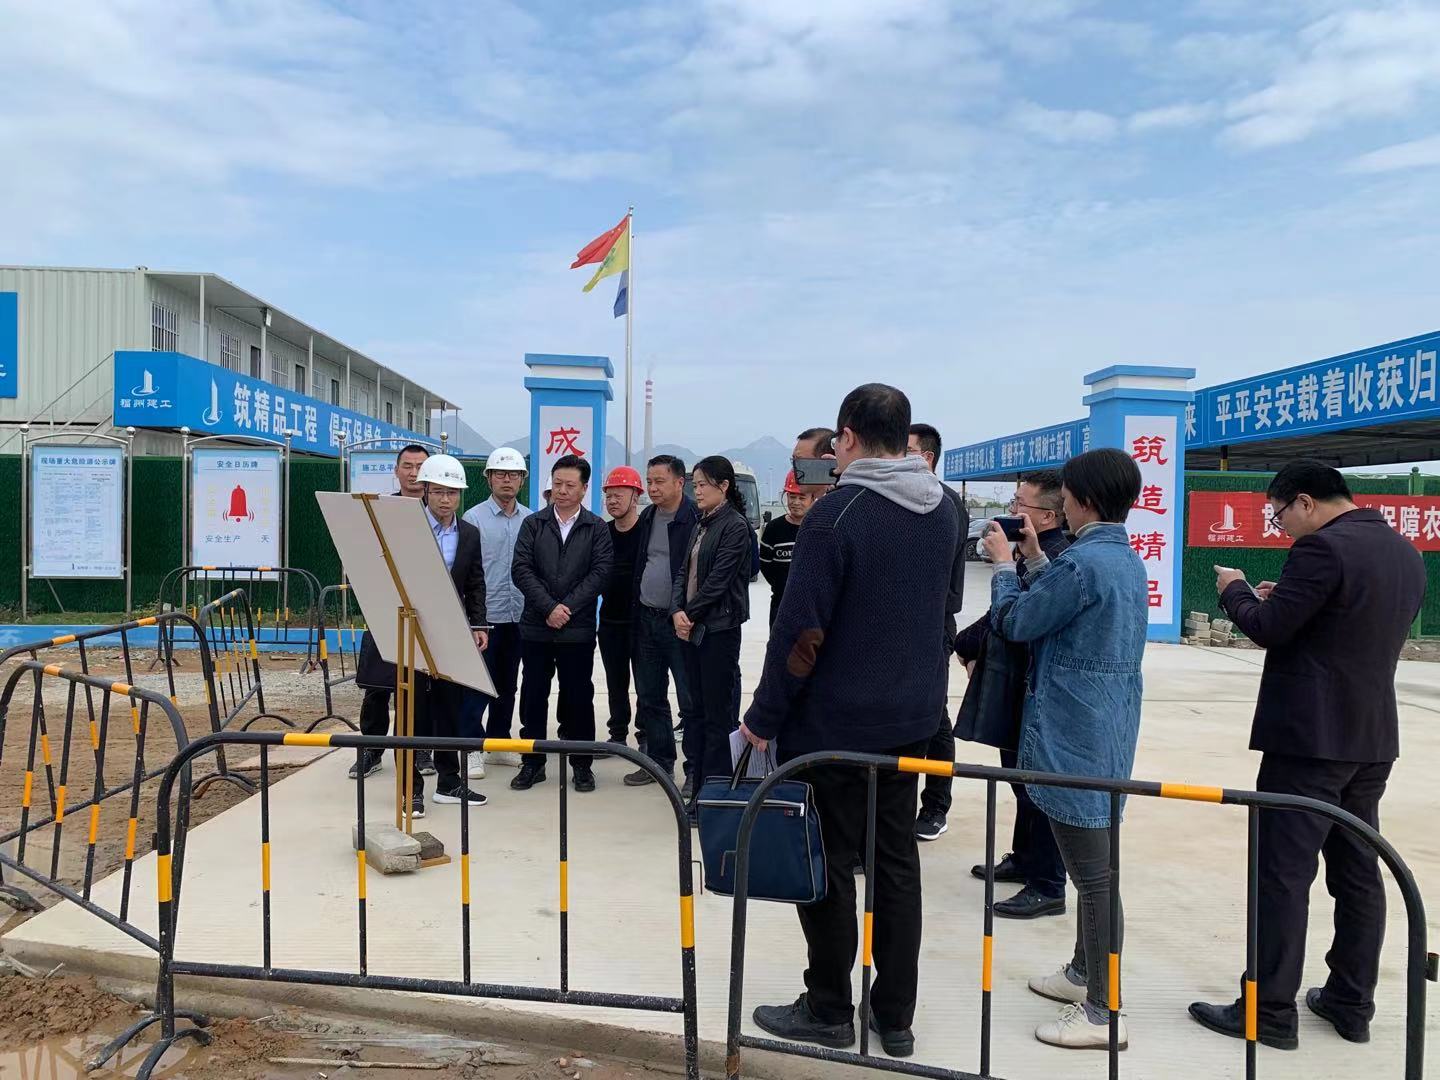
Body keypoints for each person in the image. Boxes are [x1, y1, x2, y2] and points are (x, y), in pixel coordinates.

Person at [744, 385, 959, 1060]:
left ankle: (829, 1007)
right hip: (911, 721)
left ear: (849, 438)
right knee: (895, 865)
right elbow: (946, 609)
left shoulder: (837, 515)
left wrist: (762, 717)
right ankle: (895, 1018)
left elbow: (800, 636)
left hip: (834, 729)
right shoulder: (946, 509)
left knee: (828, 864)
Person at [1189, 461, 1426, 1051]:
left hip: (1309, 741)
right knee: (1357, 873)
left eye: (1279, 516)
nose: (1282, 528)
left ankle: (1268, 1010)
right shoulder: (1403, 552)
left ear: (1304, 501)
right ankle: (1351, 1003)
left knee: (1282, 876)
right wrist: (1283, 600)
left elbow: (1268, 629)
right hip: (1371, 737)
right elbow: (1344, 624)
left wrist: (1235, 590)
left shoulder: (1321, 548)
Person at [981, 447, 1146, 1051]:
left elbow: (1017, 621)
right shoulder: (1121, 558)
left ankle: (1103, 1013)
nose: (1062, 507)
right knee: (1095, 870)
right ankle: (1082, 973)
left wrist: (1005, 567)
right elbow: (1067, 605)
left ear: (1084, 501)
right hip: (1107, 729)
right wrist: (1033, 558)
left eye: (1067, 498)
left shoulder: (1081, 564)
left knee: (1095, 878)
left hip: (1074, 736)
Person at [957, 470, 1071, 917]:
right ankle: (1025, 859)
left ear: (1048, 516)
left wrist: (1004, 564)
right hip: (1019, 686)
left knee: (1037, 788)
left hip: (1035, 689)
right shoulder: (1031, 552)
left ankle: (1047, 884)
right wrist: (965, 644)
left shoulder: (1058, 558)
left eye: (1020, 505)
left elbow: (1014, 618)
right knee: (1020, 782)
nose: (1011, 511)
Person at [355, 453, 490, 816]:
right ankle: (409, 790)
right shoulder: (404, 527)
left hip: (449, 632)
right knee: (410, 710)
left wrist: (478, 625)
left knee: (449, 707)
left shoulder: (469, 534)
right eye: (440, 491)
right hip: (408, 631)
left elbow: (475, 583)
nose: (446, 500)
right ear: (426, 490)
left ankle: (449, 782)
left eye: (453, 493)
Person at [511, 454, 612, 793]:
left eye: (570, 485)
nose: (562, 490)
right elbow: (521, 569)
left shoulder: (596, 527)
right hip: (536, 627)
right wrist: (549, 607)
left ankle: (581, 765)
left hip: (577, 628)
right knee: (533, 695)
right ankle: (532, 763)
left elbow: (600, 573)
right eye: (557, 484)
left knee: (578, 697)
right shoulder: (534, 524)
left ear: (584, 489)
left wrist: (566, 607)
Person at [351, 443, 438, 781]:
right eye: (407, 466)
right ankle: (372, 749)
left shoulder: (439, 512)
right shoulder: (379, 509)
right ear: (396, 470)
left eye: (420, 467)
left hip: (428, 611)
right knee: (377, 684)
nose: (414, 473)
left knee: (423, 686)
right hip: (385, 607)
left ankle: (421, 749)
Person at [672, 456, 753, 804]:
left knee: (718, 716)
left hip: (718, 629)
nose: (698, 491)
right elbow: (682, 572)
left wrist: (688, 614)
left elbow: (718, 581)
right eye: (695, 485)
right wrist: (676, 610)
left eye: (704, 484)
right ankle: (699, 783)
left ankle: (714, 792)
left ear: (724, 486)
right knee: (695, 711)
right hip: (691, 627)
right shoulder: (701, 522)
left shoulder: (735, 526)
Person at [623, 455, 701, 792]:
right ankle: (659, 763)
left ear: (680, 483)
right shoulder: (648, 516)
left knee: (690, 700)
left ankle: (695, 770)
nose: (652, 488)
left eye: (659, 481)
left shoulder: (695, 518)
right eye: (649, 482)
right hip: (646, 619)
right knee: (650, 696)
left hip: (681, 623)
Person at [907, 423, 969, 843]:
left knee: (935, 718)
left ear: (927, 458)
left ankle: (935, 805)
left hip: (932, 625)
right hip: (903, 625)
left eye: (907, 451)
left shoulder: (944, 503)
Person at [461, 446, 531, 772]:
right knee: (478, 684)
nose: (507, 479)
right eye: (500, 473)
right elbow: (467, 571)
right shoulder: (473, 518)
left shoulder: (531, 519)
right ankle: (472, 747)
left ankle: (499, 741)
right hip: (483, 618)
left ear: (522, 480)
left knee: (507, 684)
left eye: (514, 474)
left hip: (519, 615)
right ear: (488, 478)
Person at [599, 466, 645, 748]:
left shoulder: (647, 532)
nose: (613, 501)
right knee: (615, 683)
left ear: (635, 497)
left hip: (642, 623)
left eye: (619, 495)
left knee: (646, 685)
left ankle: (645, 738)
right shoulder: (602, 534)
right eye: (609, 495)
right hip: (610, 622)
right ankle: (617, 735)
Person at [758, 471, 815, 626]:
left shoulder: (819, 528)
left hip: (812, 608)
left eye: (802, 498)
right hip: (781, 605)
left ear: (813, 498)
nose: (796, 502)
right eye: (792, 496)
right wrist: (781, 586)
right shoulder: (773, 529)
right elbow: (765, 565)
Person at [791, 426, 837, 498]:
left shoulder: (840, 502)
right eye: (793, 461)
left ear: (826, 463)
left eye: (800, 462)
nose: (793, 470)